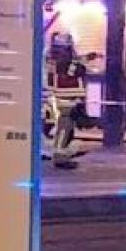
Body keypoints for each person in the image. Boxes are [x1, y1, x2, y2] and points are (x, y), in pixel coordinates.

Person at [44, 32, 90, 169]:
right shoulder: (61, 60)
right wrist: (80, 64)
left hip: (65, 98)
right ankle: (60, 156)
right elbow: (72, 71)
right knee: (64, 127)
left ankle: (63, 152)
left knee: (66, 128)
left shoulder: (53, 57)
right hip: (64, 99)